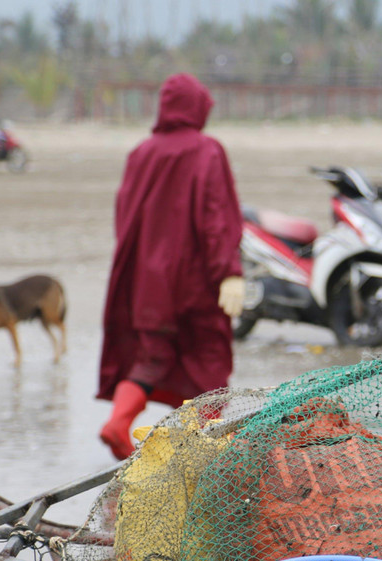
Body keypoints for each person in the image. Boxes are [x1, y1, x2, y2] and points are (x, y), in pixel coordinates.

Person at [98, 73, 245, 460]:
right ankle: (203, 452)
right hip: (195, 281)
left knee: (152, 358)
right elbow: (215, 218)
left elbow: (124, 219)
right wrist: (228, 271)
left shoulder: (141, 153)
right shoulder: (206, 150)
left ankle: (118, 423)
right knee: (209, 365)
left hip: (147, 285)